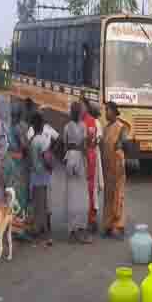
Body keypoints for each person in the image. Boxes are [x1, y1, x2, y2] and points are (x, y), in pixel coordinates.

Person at [63, 102, 91, 244]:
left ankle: (72, 232)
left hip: (70, 158)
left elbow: (65, 146)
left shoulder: (67, 127)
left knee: (71, 194)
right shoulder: (83, 126)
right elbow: (84, 146)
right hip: (79, 158)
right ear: (79, 112)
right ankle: (81, 230)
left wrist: (68, 159)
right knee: (82, 195)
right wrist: (87, 161)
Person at [100, 102, 128, 240]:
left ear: (114, 112)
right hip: (107, 168)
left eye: (108, 110)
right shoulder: (106, 129)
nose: (106, 113)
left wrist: (119, 153)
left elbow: (125, 145)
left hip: (117, 166)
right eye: (105, 110)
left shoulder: (121, 127)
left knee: (118, 195)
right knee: (108, 196)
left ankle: (118, 225)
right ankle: (108, 225)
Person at [4, 103, 30, 231]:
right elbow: (25, 145)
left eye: (14, 115)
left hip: (14, 163)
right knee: (20, 194)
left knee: (16, 194)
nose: (13, 117)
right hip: (19, 164)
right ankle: (19, 226)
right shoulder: (21, 127)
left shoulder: (13, 127)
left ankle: (16, 226)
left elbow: (23, 145)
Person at [29, 112, 53, 244]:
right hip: (42, 177)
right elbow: (47, 158)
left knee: (37, 204)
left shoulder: (32, 139)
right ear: (42, 125)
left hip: (34, 176)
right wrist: (51, 167)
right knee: (44, 204)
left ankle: (37, 228)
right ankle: (43, 231)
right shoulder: (42, 140)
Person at [81, 96, 102, 233]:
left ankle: (92, 219)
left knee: (92, 189)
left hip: (92, 157)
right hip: (81, 159)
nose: (80, 108)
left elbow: (97, 140)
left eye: (82, 105)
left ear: (87, 107)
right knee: (82, 189)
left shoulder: (95, 122)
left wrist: (90, 143)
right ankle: (81, 219)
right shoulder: (76, 122)